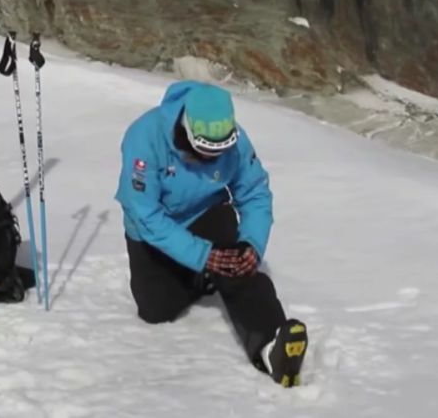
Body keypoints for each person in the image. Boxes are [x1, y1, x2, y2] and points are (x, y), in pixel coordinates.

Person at [114, 80, 308, 387]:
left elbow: (255, 192)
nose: (209, 160)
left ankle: (271, 345)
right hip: (153, 230)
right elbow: (145, 213)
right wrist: (203, 256)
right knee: (156, 311)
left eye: (218, 153)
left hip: (207, 214)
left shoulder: (236, 139)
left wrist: (251, 245)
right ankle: (201, 274)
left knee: (237, 265)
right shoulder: (145, 137)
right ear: (186, 132)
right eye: (203, 151)